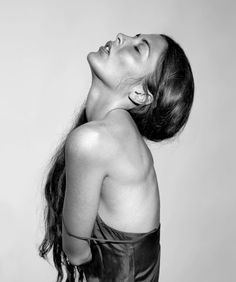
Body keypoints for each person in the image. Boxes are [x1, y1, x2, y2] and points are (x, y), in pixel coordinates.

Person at [38, 33, 194, 282]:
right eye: (134, 37)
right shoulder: (115, 135)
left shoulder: (95, 141)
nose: (122, 36)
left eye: (137, 49)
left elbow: (76, 254)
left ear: (140, 94)